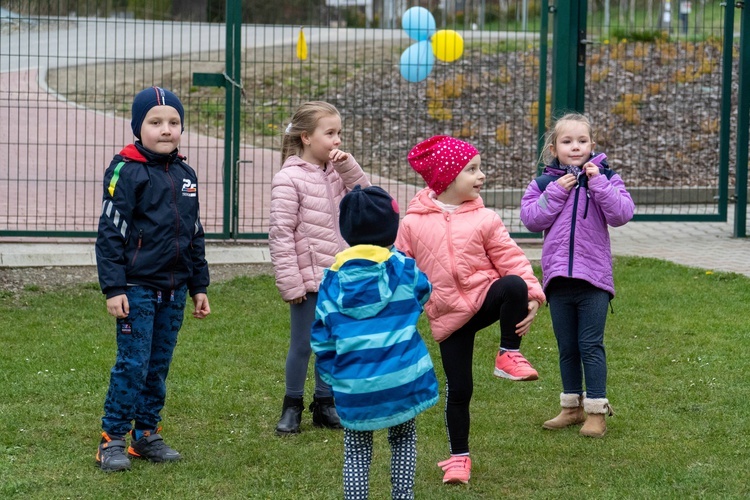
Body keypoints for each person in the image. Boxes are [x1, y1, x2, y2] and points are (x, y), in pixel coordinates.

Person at [395, 136, 546, 484]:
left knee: (514, 285)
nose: (482, 176)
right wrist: (400, 316)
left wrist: (534, 294)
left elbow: (511, 259)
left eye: (479, 168)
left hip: (482, 300)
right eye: (472, 170)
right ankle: (458, 459)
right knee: (459, 388)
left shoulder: (485, 218)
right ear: (447, 178)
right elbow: (402, 272)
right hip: (448, 317)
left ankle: (509, 354)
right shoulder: (412, 224)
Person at [94, 86, 211, 472]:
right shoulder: (126, 171)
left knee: (158, 365)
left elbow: (194, 233)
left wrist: (198, 286)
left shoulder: (186, 174)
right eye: (155, 122)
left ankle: (146, 435)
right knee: (133, 363)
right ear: (137, 127)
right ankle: (112, 439)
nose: (166, 130)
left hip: (174, 289)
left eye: (174, 122)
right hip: (135, 288)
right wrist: (114, 288)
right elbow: (111, 233)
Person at [311, 185, 439, 500]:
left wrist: (332, 377)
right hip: (402, 380)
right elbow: (424, 291)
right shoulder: (404, 269)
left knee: (356, 447)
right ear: (390, 229)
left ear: (346, 230)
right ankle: (402, 496)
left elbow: (321, 337)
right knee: (403, 437)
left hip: (353, 383)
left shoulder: (331, 280)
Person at [520, 113, 634, 438]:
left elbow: (622, 213)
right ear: (554, 148)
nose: (575, 147)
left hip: (593, 281)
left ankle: (596, 410)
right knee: (567, 346)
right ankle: (571, 407)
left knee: (590, 344)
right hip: (557, 280)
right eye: (567, 142)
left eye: (581, 141)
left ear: (592, 145)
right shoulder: (543, 184)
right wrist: (556, 191)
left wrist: (598, 183)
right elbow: (531, 218)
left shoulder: (607, 178)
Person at [269, 101, 370, 435]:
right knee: (302, 345)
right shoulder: (288, 178)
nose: (337, 140)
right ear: (306, 137)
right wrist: (291, 283)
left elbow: (369, 200)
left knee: (334, 342)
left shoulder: (338, 173)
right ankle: (292, 405)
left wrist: (349, 168)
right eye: (330, 133)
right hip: (308, 281)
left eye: (339, 133)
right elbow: (281, 234)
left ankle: (325, 404)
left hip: (338, 276)